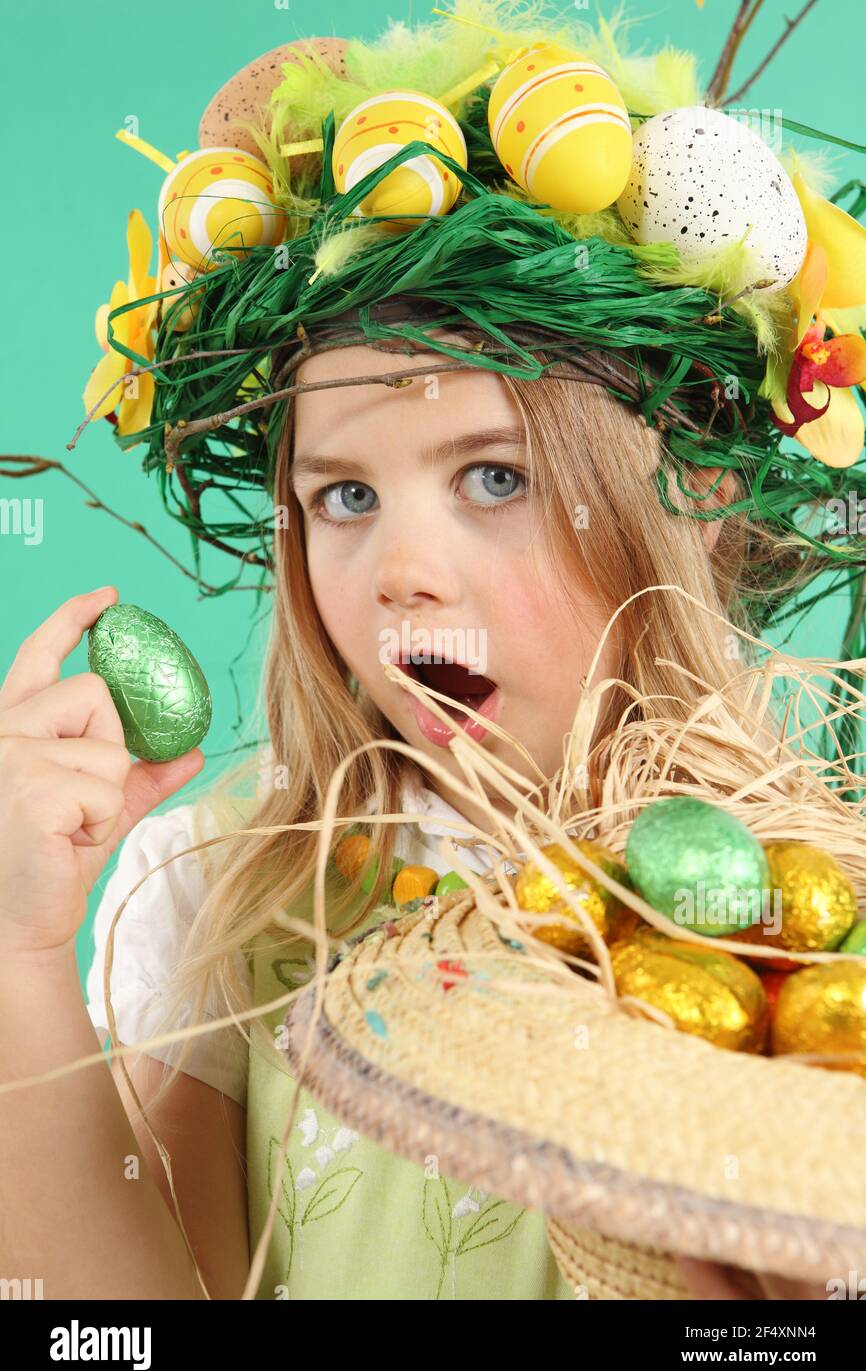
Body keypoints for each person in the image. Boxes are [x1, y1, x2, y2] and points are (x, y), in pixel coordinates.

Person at [1, 1, 862, 1300]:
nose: (398, 569)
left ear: (680, 496)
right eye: (344, 496)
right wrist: (19, 953)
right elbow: (140, 1309)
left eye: (495, 475)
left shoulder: (806, 917)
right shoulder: (228, 894)